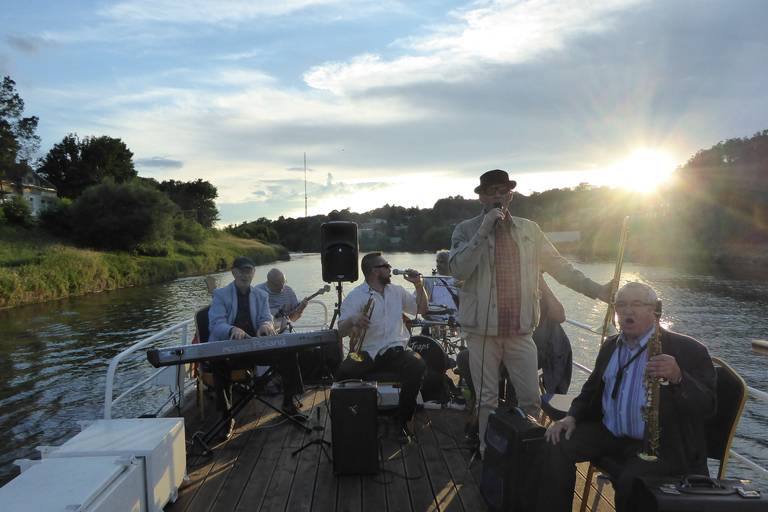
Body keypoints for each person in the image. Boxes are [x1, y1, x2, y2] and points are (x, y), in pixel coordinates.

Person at [449, 169, 612, 455]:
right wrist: (483, 230)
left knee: (530, 399)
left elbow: (561, 267)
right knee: (486, 399)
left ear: (511, 194)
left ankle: (530, 455)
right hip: (482, 332)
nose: (498, 195)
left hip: (521, 330)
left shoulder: (529, 230)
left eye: (503, 190)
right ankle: (490, 455)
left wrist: (597, 290)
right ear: (481, 198)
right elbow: (458, 270)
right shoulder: (465, 229)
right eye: (491, 191)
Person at [536, 282, 717, 512]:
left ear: (654, 310)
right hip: (610, 433)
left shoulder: (688, 350)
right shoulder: (612, 346)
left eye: (637, 304)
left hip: (659, 445)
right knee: (555, 442)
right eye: (621, 304)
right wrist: (571, 418)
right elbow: (590, 391)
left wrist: (678, 377)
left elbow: (708, 407)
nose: (627, 311)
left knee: (632, 481)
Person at [208, 256, 307, 439]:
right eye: (242, 271)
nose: (246, 275)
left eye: (249, 271)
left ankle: (288, 403)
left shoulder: (261, 295)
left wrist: (266, 326)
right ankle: (226, 416)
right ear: (234, 273)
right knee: (218, 362)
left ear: (254, 273)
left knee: (289, 352)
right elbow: (215, 324)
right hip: (230, 348)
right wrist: (232, 329)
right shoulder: (221, 295)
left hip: (253, 348)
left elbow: (266, 318)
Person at [335, 252, 429, 442]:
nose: (390, 267)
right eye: (386, 265)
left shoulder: (397, 290)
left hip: (397, 350)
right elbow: (341, 331)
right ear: (375, 271)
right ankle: (356, 418)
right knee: (343, 372)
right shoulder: (356, 296)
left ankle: (402, 420)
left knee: (418, 365)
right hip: (366, 352)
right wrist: (353, 319)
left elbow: (422, 309)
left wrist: (418, 284)